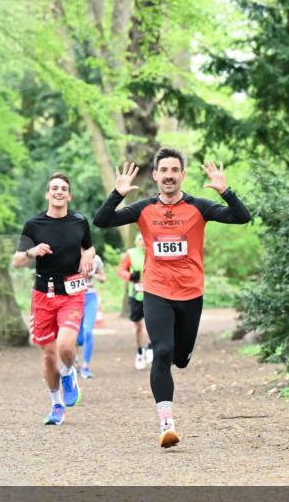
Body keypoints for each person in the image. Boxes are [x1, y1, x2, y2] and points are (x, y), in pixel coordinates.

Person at [94, 148, 251, 447]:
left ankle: (183, 354)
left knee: (180, 359)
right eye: (163, 170)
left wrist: (225, 190)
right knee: (162, 352)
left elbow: (242, 217)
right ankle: (167, 423)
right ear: (155, 175)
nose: (168, 175)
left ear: (182, 175)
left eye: (174, 170)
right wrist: (117, 194)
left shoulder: (199, 207)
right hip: (156, 291)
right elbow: (102, 221)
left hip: (191, 292)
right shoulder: (143, 209)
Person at [12, 172, 95, 425]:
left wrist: (88, 255)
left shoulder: (80, 222)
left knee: (66, 347)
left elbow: (89, 247)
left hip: (71, 293)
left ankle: (69, 372)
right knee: (48, 355)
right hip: (43, 296)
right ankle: (56, 404)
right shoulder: (33, 225)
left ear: (69, 195)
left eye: (63, 188)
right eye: (54, 188)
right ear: (48, 194)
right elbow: (17, 261)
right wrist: (31, 251)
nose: (59, 192)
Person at [117, 233, 153, 370]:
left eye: (145, 239)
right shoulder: (131, 253)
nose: (143, 242)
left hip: (152, 293)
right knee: (138, 326)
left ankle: (151, 348)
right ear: (136, 241)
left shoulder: (153, 252)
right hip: (136, 294)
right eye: (140, 240)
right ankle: (139, 351)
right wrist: (130, 276)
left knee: (152, 323)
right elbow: (120, 270)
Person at [76, 253, 106, 378]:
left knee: (88, 332)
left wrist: (92, 274)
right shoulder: (69, 253)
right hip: (74, 298)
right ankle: (75, 362)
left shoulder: (96, 258)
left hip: (90, 298)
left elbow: (103, 279)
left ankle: (85, 367)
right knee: (77, 336)